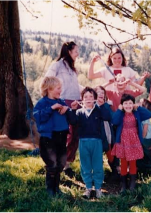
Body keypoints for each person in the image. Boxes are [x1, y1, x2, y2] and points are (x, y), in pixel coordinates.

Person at [45, 41, 84, 177]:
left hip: (76, 103)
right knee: (64, 134)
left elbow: (75, 85)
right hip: (63, 102)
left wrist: (87, 90)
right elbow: (47, 80)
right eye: (76, 51)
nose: (78, 54)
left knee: (74, 135)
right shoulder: (57, 65)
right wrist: (53, 99)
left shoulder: (72, 68)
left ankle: (67, 163)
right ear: (68, 51)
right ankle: (58, 165)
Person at [33, 76, 74, 196]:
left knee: (61, 163)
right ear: (49, 89)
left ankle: (57, 187)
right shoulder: (42, 103)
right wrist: (51, 108)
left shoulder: (61, 101)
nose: (60, 91)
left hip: (61, 137)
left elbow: (70, 119)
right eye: (58, 88)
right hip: (49, 138)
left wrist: (68, 109)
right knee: (52, 163)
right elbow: (39, 118)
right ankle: (50, 189)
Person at [70, 87, 111, 199]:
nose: (88, 99)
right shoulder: (79, 112)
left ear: (95, 99)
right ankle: (88, 188)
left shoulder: (98, 110)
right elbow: (73, 122)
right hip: (83, 142)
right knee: (85, 165)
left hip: (97, 142)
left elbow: (107, 117)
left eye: (91, 96)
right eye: (85, 97)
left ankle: (98, 188)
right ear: (82, 99)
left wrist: (102, 105)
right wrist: (73, 109)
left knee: (98, 165)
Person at [111, 94, 151, 192]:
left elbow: (149, 114)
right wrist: (119, 110)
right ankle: (124, 184)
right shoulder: (120, 113)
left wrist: (139, 108)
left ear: (133, 104)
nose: (128, 106)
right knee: (124, 163)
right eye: (125, 103)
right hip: (123, 141)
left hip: (134, 141)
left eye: (130, 103)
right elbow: (114, 121)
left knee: (133, 163)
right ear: (122, 105)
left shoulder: (136, 113)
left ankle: (132, 183)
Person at [94, 86, 119, 181]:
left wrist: (104, 106)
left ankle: (114, 172)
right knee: (97, 154)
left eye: (102, 92)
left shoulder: (107, 106)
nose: (100, 94)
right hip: (97, 134)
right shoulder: (92, 106)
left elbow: (110, 117)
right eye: (98, 92)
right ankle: (98, 175)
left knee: (110, 151)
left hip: (108, 132)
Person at [136, 99, 151, 171]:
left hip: (145, 138)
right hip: (144, 138)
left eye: (139, 103)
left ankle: (150, 167)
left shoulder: (145, 117)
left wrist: (142, 138)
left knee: (146, 153)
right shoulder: (141, 115)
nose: (137, 103)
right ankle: (143, 168)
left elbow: (145, 128)